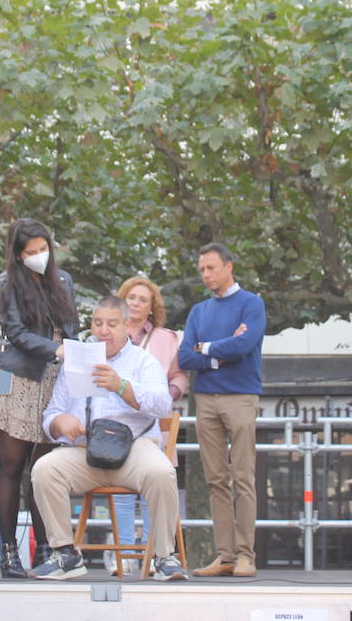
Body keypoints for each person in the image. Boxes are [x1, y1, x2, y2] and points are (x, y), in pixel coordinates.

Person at [27, 297, 186, 582]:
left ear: (126, 326)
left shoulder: (142, 361)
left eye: (112, 324)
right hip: (85, 451)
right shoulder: (77, 361)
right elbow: (52, 413)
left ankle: (164, 556)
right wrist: (59, 422)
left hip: (133, 448)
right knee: (44, 469)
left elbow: (163, 404)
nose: (104, 330)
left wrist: (121, 386)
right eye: (98, 323)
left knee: (162, 472)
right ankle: (65, 553)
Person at [0, 218, 80, 578]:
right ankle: (9, 553)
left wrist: (73, 350)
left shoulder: (64, 280)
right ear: (18, 254)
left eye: (43, 249)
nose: (39, 256)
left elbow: (73, 327)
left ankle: (47, 550)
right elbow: (17, 332)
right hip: (17, 377)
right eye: (30, 252)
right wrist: (56, 348)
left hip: (54, 379)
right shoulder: (7, 283)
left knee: (43, 471)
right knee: (11, 466)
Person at [177, 242, 266, 578]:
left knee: (243, 477)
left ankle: (246, 554)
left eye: (211, 268)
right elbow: (185, 357)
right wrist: (219, 352)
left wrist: (206, 349)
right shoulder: (199, 311)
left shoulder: (252, 304)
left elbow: (244, 346)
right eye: (202, 269)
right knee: (216, 479)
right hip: (206, 399)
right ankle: (225, 555)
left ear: (229, 266)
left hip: (241, 396)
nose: (206, 275)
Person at [108, 276, 187, 570]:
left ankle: (155, 555)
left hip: (154, 425)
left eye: (143, 299)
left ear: (152, 307)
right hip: (116, 423)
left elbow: (179, 375)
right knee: (121, 491)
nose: (137, 303)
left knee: (153, 486)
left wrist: (169, 394)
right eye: (131, 297)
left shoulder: (167, 338)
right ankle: (125, 556)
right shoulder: (109, 333)